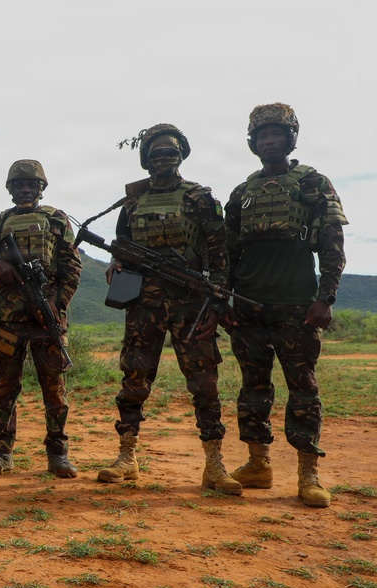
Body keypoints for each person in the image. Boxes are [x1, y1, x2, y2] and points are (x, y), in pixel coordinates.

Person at [99, 124, 241, 495]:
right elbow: (122, 242)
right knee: (135, 377)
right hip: (143, 302)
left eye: (170, 151)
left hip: (191, 302)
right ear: (146, 160)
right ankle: (127, 456)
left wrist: (217, 301)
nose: (163, 158)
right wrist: (116, 262)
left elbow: (220, 253)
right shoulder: (133, 201)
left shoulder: (199, 198)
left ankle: (214, 464)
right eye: (156, 153)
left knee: (204, 382)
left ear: (181, 155)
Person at [223, 103, 348, 508]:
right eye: (262, 136)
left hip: (297, 306)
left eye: (277, 134)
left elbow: (332, 245)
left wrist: (325, 297)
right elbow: (227, 253)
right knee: (253, 388)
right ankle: (258, 464)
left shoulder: (313, 184)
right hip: (248, 306)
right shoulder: (242, 193)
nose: (269, 141)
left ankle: (308, 473)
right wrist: (224, 299)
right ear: (253, 143)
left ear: (291, 139)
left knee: (303, 389)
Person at [0, 159, 81, 477]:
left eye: (31, 184)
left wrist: (56, 303)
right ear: (10, 189)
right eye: (18, 185)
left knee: (54, 388)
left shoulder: (56, 219)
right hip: (9, 320)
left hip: (46, 318)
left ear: (41, 188)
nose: (24, 189)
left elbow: (72, 267)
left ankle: (58, 454)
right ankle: (2, 453)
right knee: (6, 388)